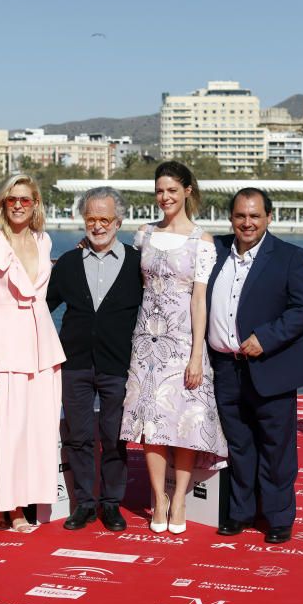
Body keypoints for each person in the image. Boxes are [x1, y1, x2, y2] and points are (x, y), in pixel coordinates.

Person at [120, 161, 227, 534]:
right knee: (149, 423)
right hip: (145, 342)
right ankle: (158, 498)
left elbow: (200, 300)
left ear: (187, 191)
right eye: (159, 190)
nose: (164, 197)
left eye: (171, 190)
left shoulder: (202, 241)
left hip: (182, 343)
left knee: (184, 420)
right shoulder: (143, 234)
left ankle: (179, 496)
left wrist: (197, 353)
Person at [208, 188, 303, 544]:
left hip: (271, 366)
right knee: (239, 445)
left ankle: (278, 517)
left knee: (276, 447)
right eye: (240, 216)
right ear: (231, 218)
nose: (247, 223)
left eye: (255, 216)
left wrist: (265, 337)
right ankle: (240, 512)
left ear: (269, 217)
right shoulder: (215, 250)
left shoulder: (291, 256)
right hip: (226, 368)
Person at [0, 175, 65, 531]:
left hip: (41, 347)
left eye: (25, 199)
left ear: (35, 204)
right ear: (2, 204)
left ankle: (21, 503)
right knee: (0, 429)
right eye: (11, 199)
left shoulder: (44, 240)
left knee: (34, 431)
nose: (18, 205)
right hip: (2, 345)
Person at [47, 187, 143, 531]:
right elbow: (43, 307)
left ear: (118, 222)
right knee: (79, 435)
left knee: (115, 436)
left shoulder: (137, 263)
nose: (98, 226)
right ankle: (85, 503)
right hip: (74, 363)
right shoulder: (70, 262)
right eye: (91, 218)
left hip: (119, 365)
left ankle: (111, 504)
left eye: (105, 219)